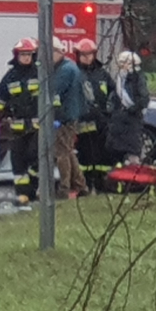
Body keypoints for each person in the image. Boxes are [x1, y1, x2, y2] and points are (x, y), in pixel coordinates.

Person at [0, 37, 40, 205]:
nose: (26, 58)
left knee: (36, 158)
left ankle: (34, 189)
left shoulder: (40, 74)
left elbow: (51, 98)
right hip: (17, 128)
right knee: (18, 162)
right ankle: (22, 194)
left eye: (29, 54)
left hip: (37, 128)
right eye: (23, 54)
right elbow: (0, 100)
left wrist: (54, 117)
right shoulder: (10, 77)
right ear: (17, 56)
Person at [75, 38, 115, 191]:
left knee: (103, 156)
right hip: (84, 124)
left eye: (89, 54)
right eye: (83, 55)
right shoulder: (76, 74)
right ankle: (85, 185)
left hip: (102, 123)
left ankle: (101, 185)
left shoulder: (102, 74)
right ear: (78, 55)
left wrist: (110, 111)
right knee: (85, 156)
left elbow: (113, 93)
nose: (87, 58)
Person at [51, 36, 89, 199]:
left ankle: (64, 188)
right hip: (68, 116)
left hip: (64, 118)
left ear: (58, 52)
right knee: (68, 151)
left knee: (61, 154)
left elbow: (54, 91)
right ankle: (81, 185)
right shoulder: (69, 67)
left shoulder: (65, 70)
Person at [107, 50, 151, 166]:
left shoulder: (138, 78)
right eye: (120, 63)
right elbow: (115, 96)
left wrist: (133, 109)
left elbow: (144, 98)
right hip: (119, 120)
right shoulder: (120, 78)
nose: (122, 66)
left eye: (124, 63)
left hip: (132, 120)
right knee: (116, 150)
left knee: (132, 151)